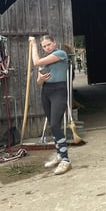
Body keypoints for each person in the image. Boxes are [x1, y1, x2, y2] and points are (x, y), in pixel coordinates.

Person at [29, 34, 72, 175]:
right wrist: (40, 78)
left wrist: (34, 44)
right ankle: (59, 154)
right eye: (43, 46)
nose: (47, 47)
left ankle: (66, 160)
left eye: (48, 44)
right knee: (54, 126)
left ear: (54, 43)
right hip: (46, 92)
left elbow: (36, 62)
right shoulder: (46, 62)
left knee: (54, 124)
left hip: (59, 92)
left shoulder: (61, 54)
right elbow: (39, 82)